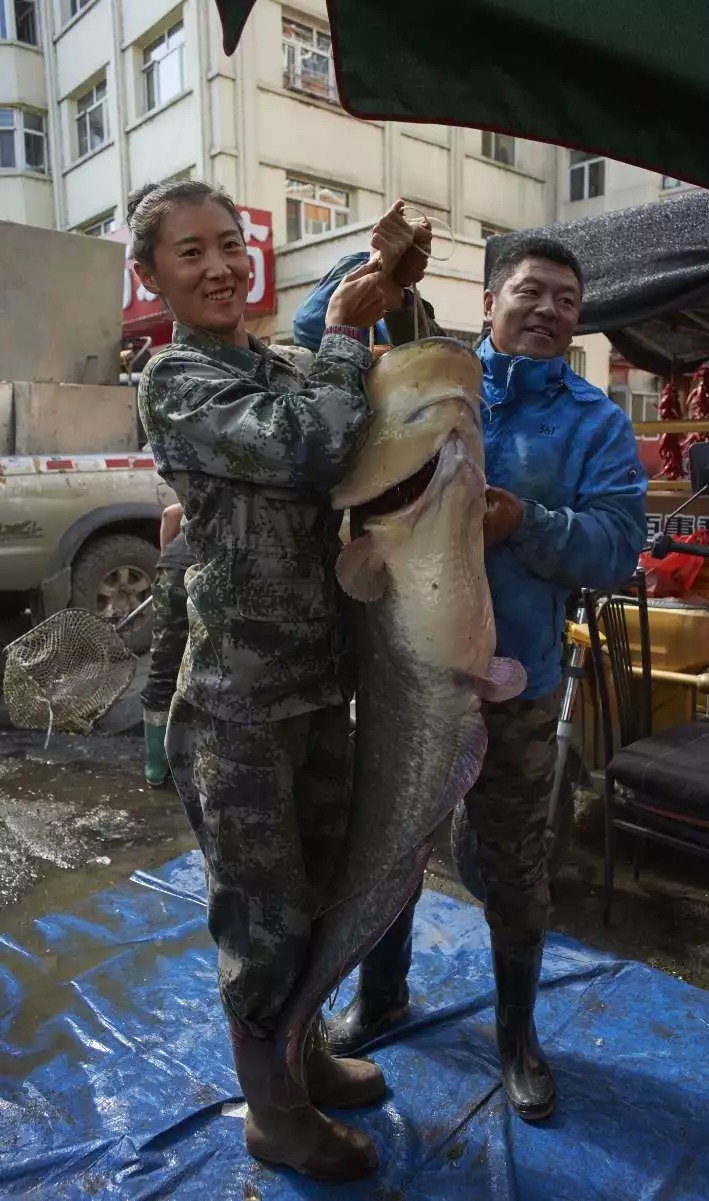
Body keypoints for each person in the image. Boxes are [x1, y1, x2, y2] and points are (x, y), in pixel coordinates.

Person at [293, 234, 648, 1123]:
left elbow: (617, 546)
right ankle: (383, 996)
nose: (549, 311)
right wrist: (370, 268)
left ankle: (518, 1034)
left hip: (515, 683)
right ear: (488, 302)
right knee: (393, 835)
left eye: (567, 300)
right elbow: (314, 334)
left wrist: (527, 523)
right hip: (401, 665)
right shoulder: (436, 374)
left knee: (515, 867)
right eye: (530, 292)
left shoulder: (593, 422)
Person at [134, 178, 427, 1182]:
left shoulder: (277, 362)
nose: (218, 265)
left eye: (229, 244)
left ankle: (298, 1058)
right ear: (153, 276)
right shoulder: (176, 381)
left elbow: (341, 384)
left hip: (315, 689)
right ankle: (272, 1114)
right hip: (237, 708)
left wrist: (380, 283)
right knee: (262, 925)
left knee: (318, 895)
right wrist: (350, 326)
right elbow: (309, 443)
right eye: (189, 252)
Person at [140, 502, 192, 786]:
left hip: (174, 565)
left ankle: (156, 768)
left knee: (163, 664)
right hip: (206, 568)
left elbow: (171, 513)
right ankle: (184, 757)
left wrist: (166, 559)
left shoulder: (202, 476)